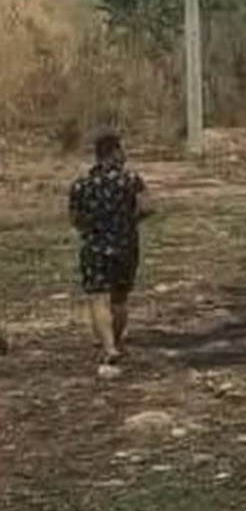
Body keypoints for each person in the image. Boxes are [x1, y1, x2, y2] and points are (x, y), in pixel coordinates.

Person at [68, 126, 153, 368]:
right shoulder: (130, 179)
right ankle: (116, 341)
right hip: (125, 245)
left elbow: (74, 218)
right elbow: (148, 207)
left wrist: (91, 227)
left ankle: (108, 347)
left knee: (97, 297)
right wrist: (131, 220)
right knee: (119, 299)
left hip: (94, 247)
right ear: (115, 152)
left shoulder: (81, 184)